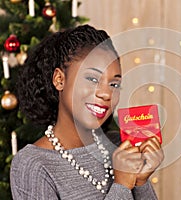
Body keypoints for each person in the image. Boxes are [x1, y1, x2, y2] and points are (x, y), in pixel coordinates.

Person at [10, 24, 164, 200]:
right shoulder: (33, 165)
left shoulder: (119, 147)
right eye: (92, 78)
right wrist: (121, 186)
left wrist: (140, 182)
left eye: (114, 84)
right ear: (59, 79)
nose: (106, 94)